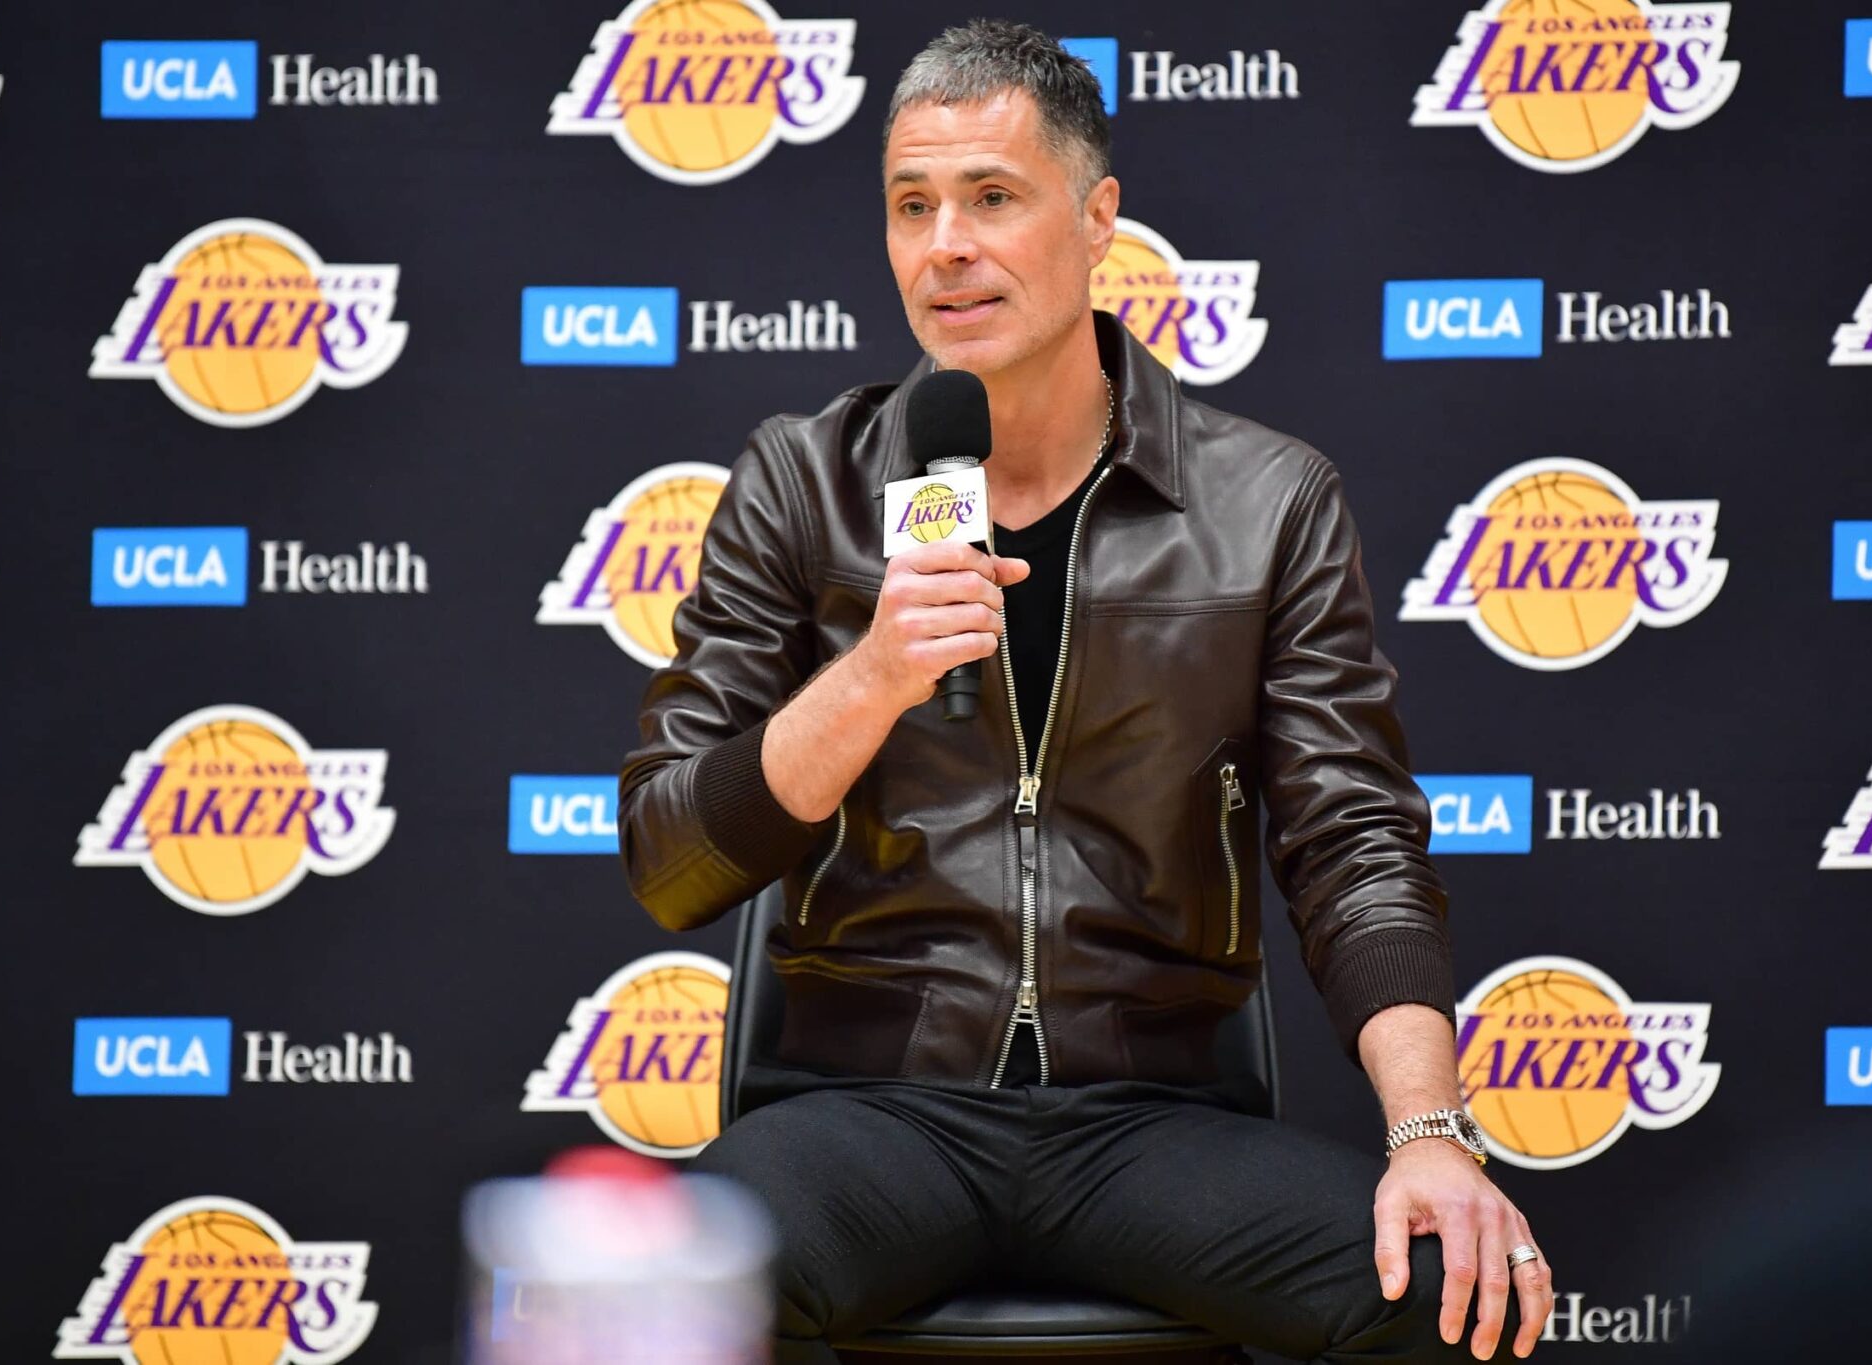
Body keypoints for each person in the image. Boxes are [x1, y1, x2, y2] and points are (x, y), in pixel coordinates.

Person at [619, 20, 1549, 1363]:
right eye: (912, 205)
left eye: (993, 198)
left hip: (1152, 1120)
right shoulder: (800, 480)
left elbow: (1353, 844)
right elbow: (669, 862)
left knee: (1459, 1293)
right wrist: (872, 676)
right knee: (663, 1299)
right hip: (869, 1110)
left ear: (1097, 217)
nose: (947, 245)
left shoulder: (1264, 499)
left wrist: (1429, 1134)